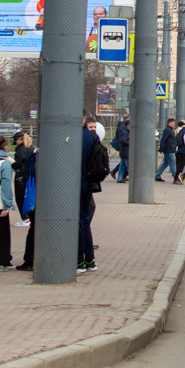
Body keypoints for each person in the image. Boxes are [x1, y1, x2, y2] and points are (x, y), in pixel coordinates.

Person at [79, 117, 100, 273]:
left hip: (76, 184)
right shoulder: (93, 136)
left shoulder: (76, 135)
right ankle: (90, 260)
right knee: (85, 221)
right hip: (89, 182)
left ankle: (79, 261)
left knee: (78, 221)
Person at [0, 135, 14, 270]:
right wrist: (8, 204)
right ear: (4, 146)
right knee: (1, 234)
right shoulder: (4, 163)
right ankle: (1, 261)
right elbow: (6, 184)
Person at [11, 132, 31, 227]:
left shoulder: (20, 150)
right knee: (27, 197)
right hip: (28, 176)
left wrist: (12, 165)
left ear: (18, 140)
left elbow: (18, 163)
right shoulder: (30, 148)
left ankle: (25, 218)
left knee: (20, 198)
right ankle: (28, 218)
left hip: (20, 176)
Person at [155, 118, 177, 182]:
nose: (174, 124)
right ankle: (176, 178)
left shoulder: (169, 130)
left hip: (169, 149)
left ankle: (157, 175)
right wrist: (161, 149)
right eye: (173, 123)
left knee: (165, 163)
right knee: (172, 164)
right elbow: (163, 139)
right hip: (169, 149)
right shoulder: (168, 130)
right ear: (169, 123)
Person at [112, 115, 130, 182]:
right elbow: (123, 141)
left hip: (123, 151)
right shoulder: (124, 132)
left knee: (122, 165)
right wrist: (131, 142)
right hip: (126, 151)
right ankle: (132, 179)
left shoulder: (123, 130)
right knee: (129, 166)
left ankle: (119, 178)